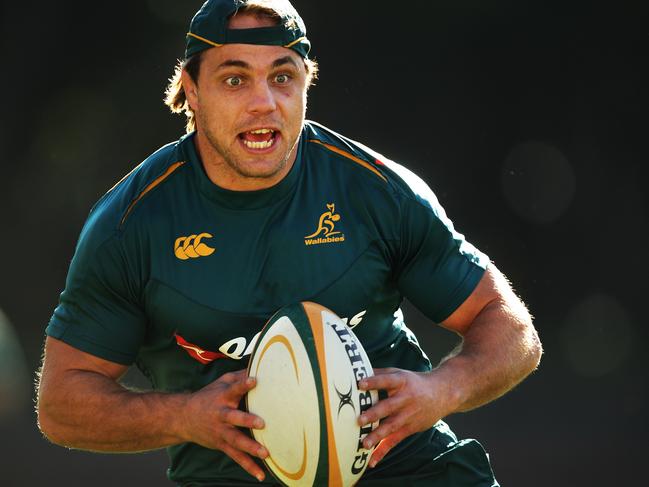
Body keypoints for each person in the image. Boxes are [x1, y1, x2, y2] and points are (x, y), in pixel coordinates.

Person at [36, 0, 542, 485]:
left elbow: (510, 327)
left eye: (282, 77)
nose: (264, 102)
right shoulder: (132, 225)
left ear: (306, 82)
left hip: (408, 469)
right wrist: (183, 416)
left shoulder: (374, 190)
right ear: (191, 89)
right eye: (234, 79)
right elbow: (61, 403)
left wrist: (440, 389)